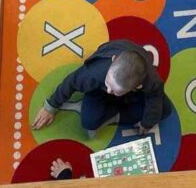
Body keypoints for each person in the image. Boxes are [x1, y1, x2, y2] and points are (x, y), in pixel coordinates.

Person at [31, 40, 172, 135]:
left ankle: (115, 114)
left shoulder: (152, 82)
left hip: (131, 91)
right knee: (89, 122)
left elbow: (155, 97)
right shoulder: (95, 73)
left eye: (115, 91)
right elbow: (71, 82)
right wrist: (50, 107)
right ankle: (117, 108)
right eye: (108, 84)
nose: (109, 90)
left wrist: (147, 123)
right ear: (113, 59)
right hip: (99, 90)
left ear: (138, 86)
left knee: (165, 110)